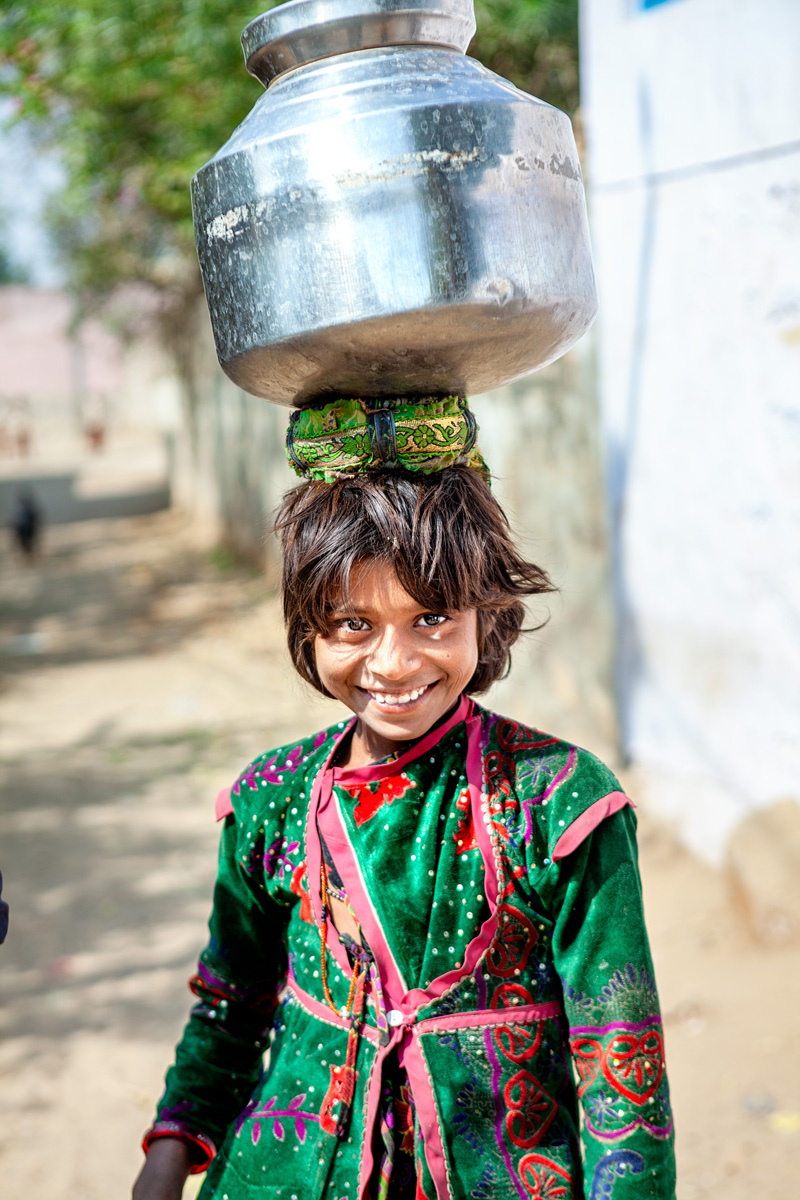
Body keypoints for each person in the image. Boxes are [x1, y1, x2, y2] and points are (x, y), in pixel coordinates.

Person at [133, 397, 675, 1200]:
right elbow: (231, 1003)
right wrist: (169, 1153)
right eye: (353, 623)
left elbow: (619, 1060)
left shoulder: (560, 806)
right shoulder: (269, 801)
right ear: (307, 629)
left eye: (431, 617)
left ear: (484, 616)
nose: (393, 662)